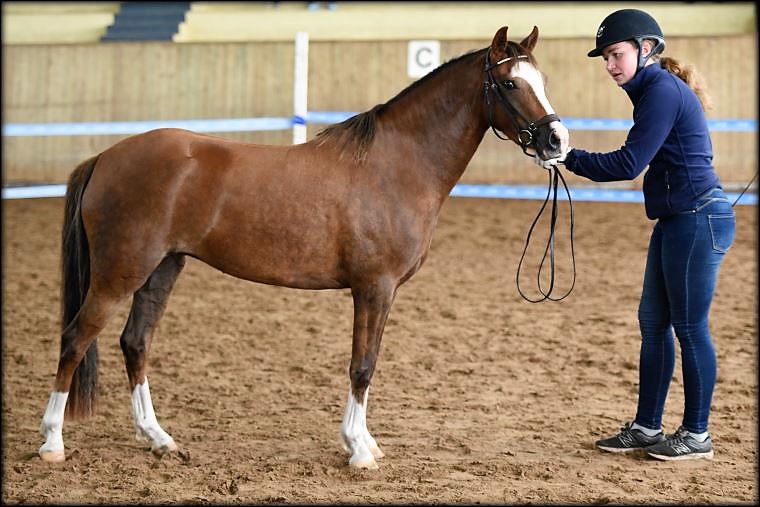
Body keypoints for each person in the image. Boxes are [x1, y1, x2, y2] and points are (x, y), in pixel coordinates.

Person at [538, 8, 736, 460]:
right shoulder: (652, 91)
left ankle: (697, 435)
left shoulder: (662, 91)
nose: (610, 65)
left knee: (689, 328)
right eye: (606, 57)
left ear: (646, 49)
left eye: (616, 54)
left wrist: (569, 156)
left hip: (697, 219)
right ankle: (648, 427)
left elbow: (628, 164)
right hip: (676, 221)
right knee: (654, 324)